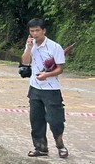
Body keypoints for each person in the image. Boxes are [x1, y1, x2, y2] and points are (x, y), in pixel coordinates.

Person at [21, 18, 69, 158]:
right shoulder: (31, 45)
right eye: (32, 31)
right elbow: (25, 62)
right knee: (36, 120)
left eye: (37, 30)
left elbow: (60, 69)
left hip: (51, 89)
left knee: (55, 120)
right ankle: (41, 147)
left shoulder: (55, 47)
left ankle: (60, 145)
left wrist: (47, 75)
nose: (34, 34)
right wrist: (29, 48)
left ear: (44, 31)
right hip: (35, 88)